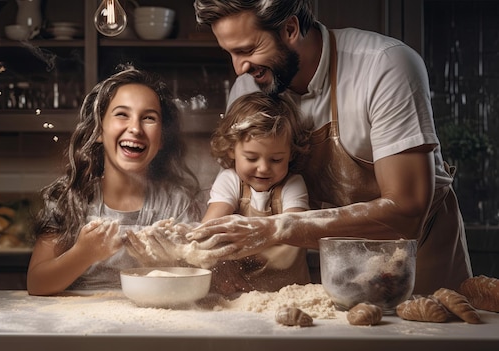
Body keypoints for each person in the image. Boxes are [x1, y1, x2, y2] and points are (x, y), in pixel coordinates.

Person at [188, 0, 472, 294]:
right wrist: (225, 262)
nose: (239, 67)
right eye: (230, 53)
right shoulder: (248, 88)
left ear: (290, 29)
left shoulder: (384, 65)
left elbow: (406, 214)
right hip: (337, 272)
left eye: (247, 50)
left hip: (418, 264)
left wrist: (276, 228)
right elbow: (238, 195)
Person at [27, 65, 201, 296]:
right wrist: (83, 254)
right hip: (82, 326)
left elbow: (198, 279)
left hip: (154, 325)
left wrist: (169, 261)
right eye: (122, 114)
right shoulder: (70, 199)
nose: (135, 128)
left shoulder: (177, 204)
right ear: (99, 130)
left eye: (149, 118)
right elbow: (37, 284)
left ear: (161, 139)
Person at [202, 91, 311, 294]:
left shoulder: (293, 184)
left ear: (291, 154)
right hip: (240, 292)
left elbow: (295, 227)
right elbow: (209, 228)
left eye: (276, 159)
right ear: (231, 150)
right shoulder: (230, 180)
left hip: (292, 292)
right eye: (252, 158)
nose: (263, 168)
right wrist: (219, 265)